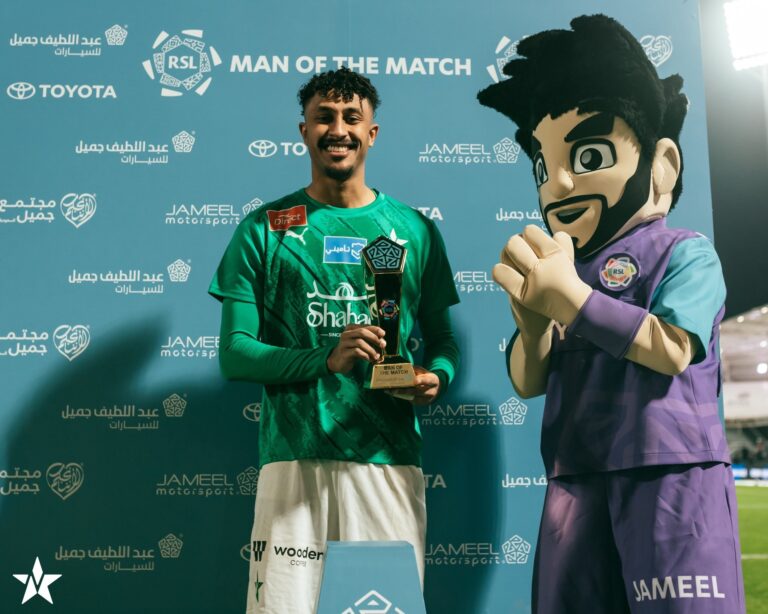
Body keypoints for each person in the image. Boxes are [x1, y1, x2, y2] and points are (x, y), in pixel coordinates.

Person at [477, 15, 744, 614]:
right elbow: (528, 381)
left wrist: (570, 299)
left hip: (671, 476)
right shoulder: (563, 265)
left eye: (589, 154)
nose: (558, 184)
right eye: (543, 166)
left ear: (662, 164)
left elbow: (672, 348)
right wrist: (531, 323)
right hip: (574, 476)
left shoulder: (685, 252)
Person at [209, 67, 460, 613]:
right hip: (293, 460)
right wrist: (326, 358)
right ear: (304, 131)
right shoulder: (265, 227)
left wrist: (435, 378)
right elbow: (235, 353)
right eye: (324, 117)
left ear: (372, 133)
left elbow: (443, 340)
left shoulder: (414, 229)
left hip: (387, 459)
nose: (338, 129)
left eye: (351, 117)